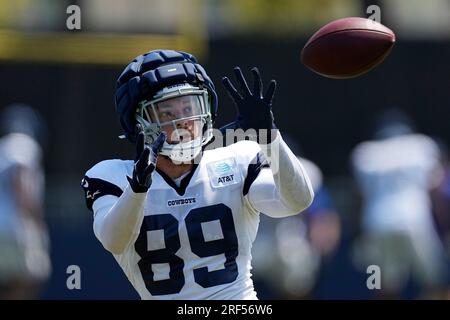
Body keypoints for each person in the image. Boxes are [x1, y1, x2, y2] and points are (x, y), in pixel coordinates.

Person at [81, 49, 314, 299]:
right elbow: (114, 240)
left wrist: (270, 138)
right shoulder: (113, 176)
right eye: (167, 113)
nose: (184, 121)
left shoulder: (237, 159)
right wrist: (137, 189)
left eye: (189, 107)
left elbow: (297, 201)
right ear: (139, 124)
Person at [350, 108, 447, 298]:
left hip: (376, 223)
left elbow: (359, 198)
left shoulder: (365, 153)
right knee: (435, 281)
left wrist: (359, 232)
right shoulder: (421, 146)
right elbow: (437, 191)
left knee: (382, 285)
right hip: (415, 220)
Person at [0, 104, 51, 299]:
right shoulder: (22, 143)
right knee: (32, 275)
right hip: (14, 227)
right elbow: (21, 181)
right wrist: (35, 222)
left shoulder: (3, 147)